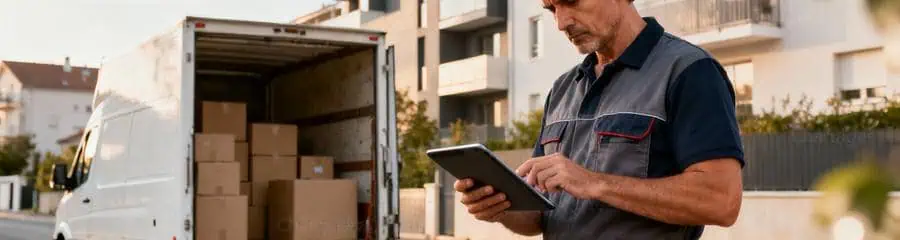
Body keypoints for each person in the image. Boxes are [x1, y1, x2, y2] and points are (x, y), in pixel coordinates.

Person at [454, 0, 746, 239]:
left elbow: (721, 201)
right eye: (551, 8)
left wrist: (594, 183)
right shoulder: (562, 89)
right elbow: (540, 219)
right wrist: (501, 207)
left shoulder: (690, 71)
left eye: (570, 2)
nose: (561, 22)